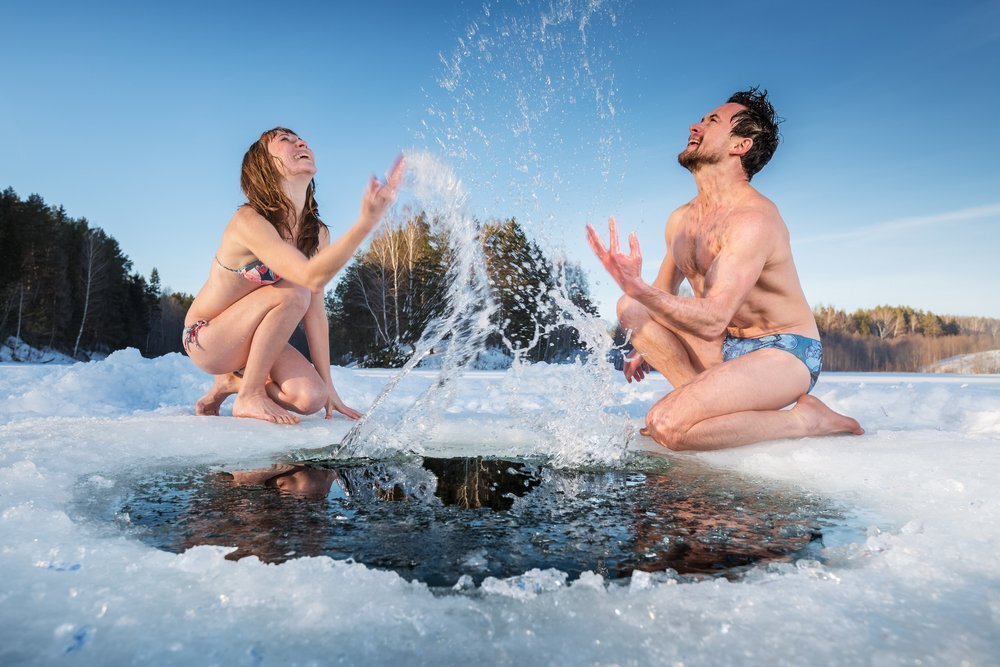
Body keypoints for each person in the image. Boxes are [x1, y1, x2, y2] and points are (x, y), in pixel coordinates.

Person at [587, 88, 863, 451]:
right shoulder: (681, 219)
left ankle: (805, 419)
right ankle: (699, 413)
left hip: (783, 351)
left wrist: (640, 289)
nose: (696, 126)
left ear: (740, 146)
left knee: (666, 425)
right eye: (702, 120)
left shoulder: (754, 219)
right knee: (630, 308)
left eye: (712, 121)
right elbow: (659, 295)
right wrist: (644, 343)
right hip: (725, 346)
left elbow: (715, 317)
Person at [183, 127, 403, 424]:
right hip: (207, 339)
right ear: (264, 167)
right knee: (293, 290)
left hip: (254, 339)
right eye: (285, 141)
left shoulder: (317, 234)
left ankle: (232, 383)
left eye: (301, 139)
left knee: (312, 397)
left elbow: (315, 314)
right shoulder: (249, 221)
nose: (301, 142)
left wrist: (330, 390)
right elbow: (308, 279)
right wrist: (366, 223)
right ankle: (249, 395)